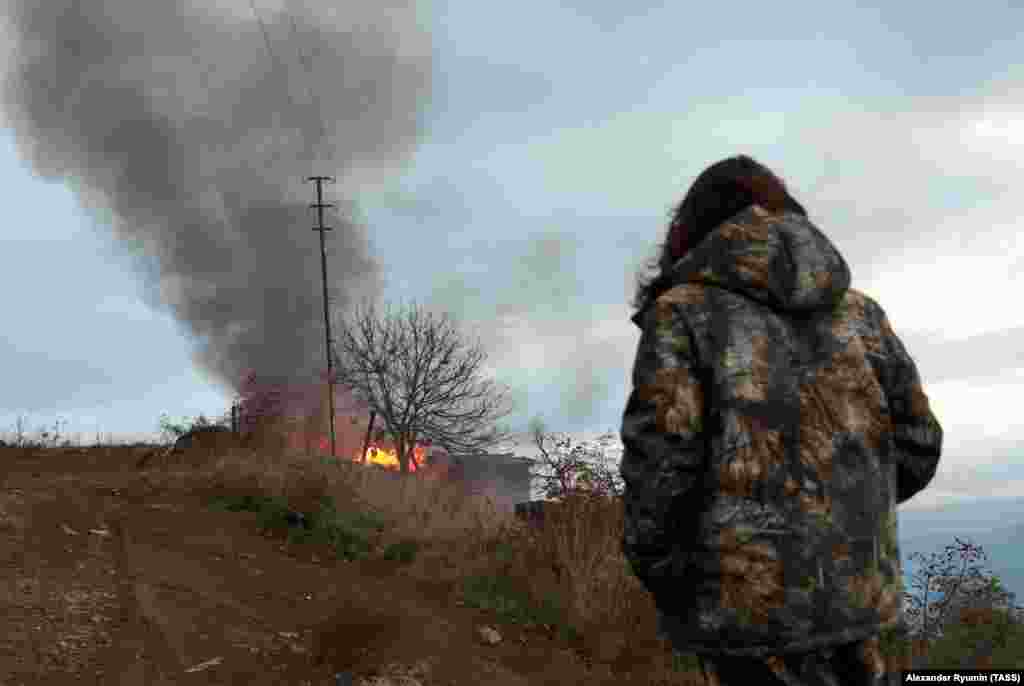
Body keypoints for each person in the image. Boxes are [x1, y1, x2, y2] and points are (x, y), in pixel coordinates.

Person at [619, 155, 943, 685]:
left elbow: (660, 470)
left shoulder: (683, 314)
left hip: (744, 621)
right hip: (858, 607)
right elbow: (919, 444)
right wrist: (842, 514)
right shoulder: (860, 315)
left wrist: (672, 578)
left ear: (693, 230)